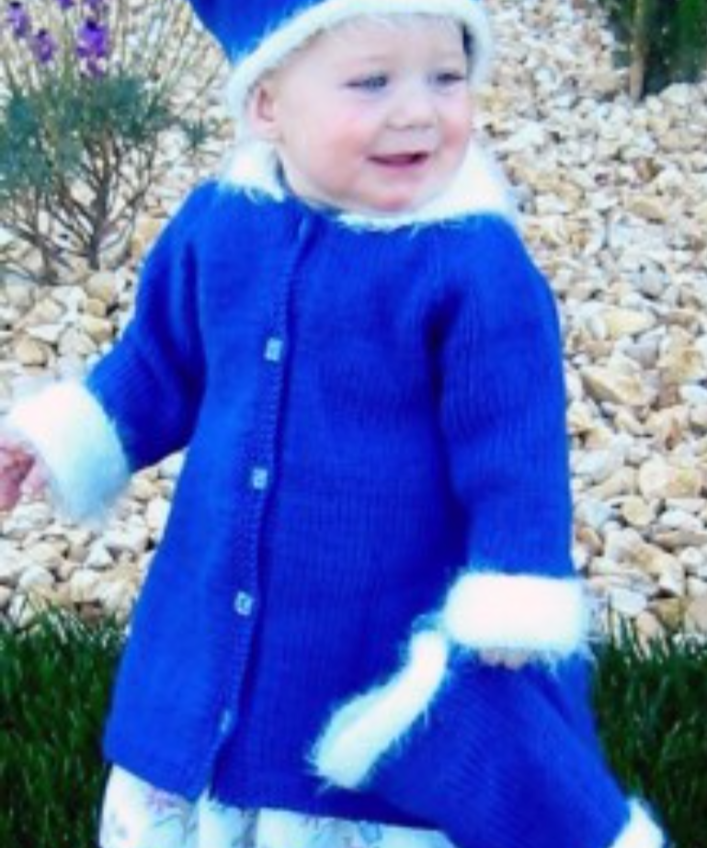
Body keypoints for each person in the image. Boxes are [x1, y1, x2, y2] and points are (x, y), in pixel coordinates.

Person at [0, 1, 665, 847]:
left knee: (341, 774)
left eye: (447, 76)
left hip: (366, 641)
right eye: (371, 81)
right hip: (204, 623)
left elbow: (513, 453)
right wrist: (55, 436)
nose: (418, 109)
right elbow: (159, 364)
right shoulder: (220, 224)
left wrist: (512, 596)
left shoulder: (472, 267)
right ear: (267, 105)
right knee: (188, 758)